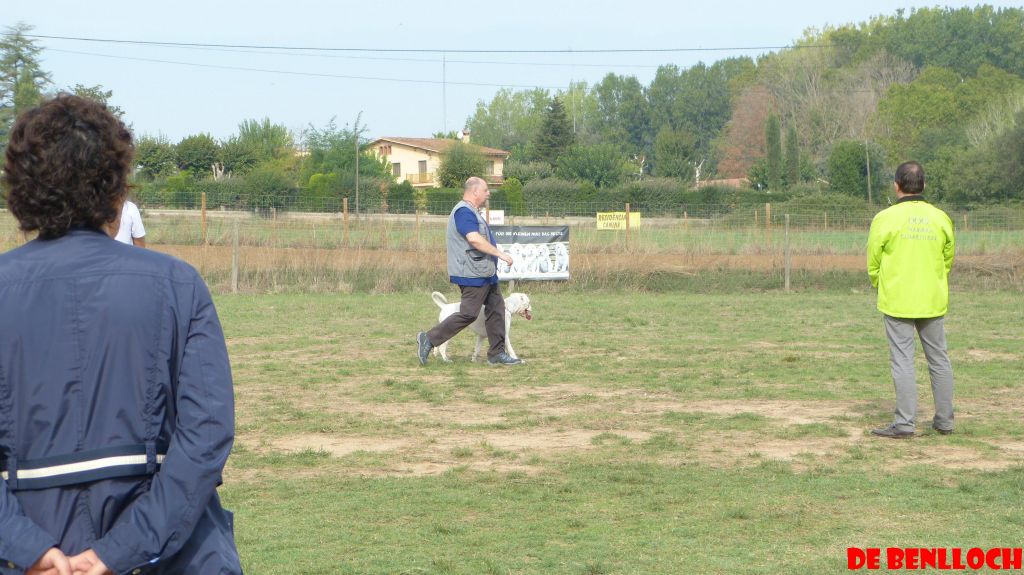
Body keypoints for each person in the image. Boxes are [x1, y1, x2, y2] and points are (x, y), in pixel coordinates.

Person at [0, 95, 241, 574]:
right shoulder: (178, 284)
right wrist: (122, 549)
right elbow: (207, 434)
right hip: (164, 556)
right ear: (114, 187)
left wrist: (28, 547)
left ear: (22, 188)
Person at [867, 161, 955, 439]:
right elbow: (947, 257)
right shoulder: (940, 217)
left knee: (902, 360)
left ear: (896, 186)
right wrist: (934, 280)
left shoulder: (885, 218)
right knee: (939, 359)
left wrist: (882, 284)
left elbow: (873, 261)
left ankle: (905, 423)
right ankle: (945, 421)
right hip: (932, 299)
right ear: (923, 185)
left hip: (897, 300)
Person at [417, 176, 521, 366]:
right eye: (486, 190)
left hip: (485, 273)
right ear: (475, 191)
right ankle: (429, 338)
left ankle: (497, 353)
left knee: (497, 309)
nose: (489, 193)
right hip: (472, 273)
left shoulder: (472, 211)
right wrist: (500, 254)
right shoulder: (463, 212)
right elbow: (473, 239)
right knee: (469, 313)